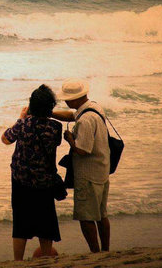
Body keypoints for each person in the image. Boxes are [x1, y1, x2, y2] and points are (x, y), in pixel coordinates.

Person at [1, 84, 62, 261]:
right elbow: (55, 143)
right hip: (45, 182)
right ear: (50, 107)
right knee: (46, 222)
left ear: (31, 105)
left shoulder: (23, 125)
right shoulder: (55, 128)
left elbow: (5, 139)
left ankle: (18, 261)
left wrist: (21, 118)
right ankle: (45, 258)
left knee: (21, 223)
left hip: (21, 181)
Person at [52, 78, 111, 253]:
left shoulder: (85, 120)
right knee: (101, 215)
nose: (65, 101)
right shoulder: (94, 108)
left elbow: (83, 150)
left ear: (76, 98)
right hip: (101, 169)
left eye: (67, 99)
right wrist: (50, 113)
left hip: (88, 175)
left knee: (86, 217)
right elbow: (72, 115)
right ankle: (106, 251)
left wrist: (70, 139)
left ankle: (95, 253)